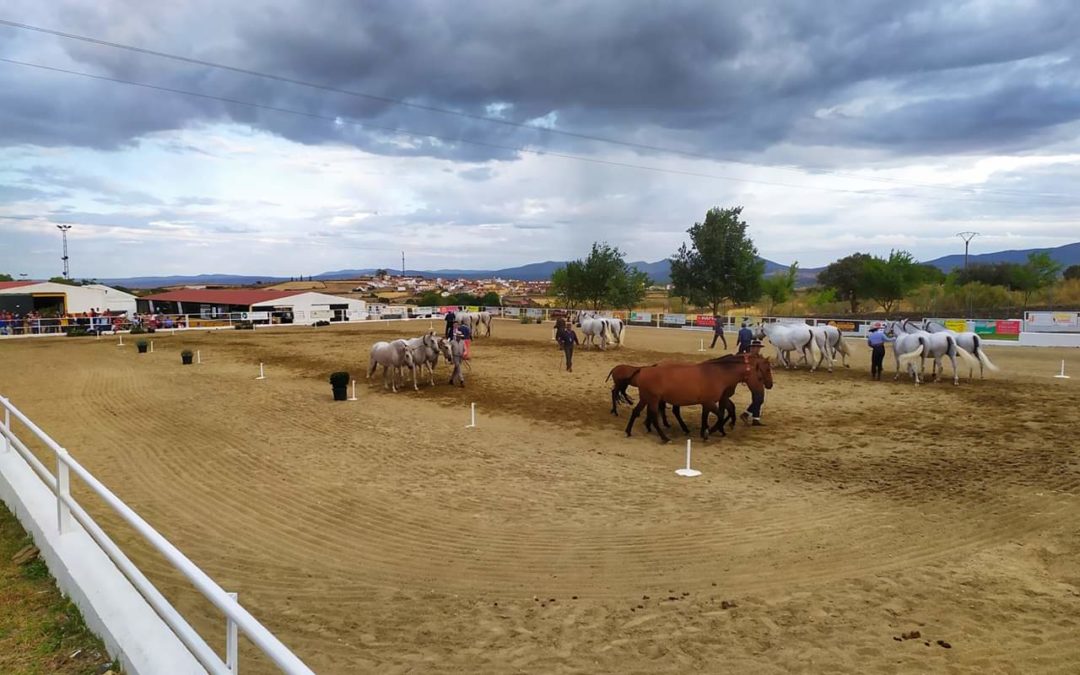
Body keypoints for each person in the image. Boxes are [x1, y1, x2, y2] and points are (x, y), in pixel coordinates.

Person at [740, 340, 767, 426]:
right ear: (752, 348)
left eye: (758, 348)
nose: (757, 349)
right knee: (758, 398)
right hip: (752, 380)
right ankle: (749, 416)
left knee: (759, 399)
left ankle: (753, 417)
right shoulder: (748, 357)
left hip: (759, 380)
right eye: (756, 347)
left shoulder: (759, 357)